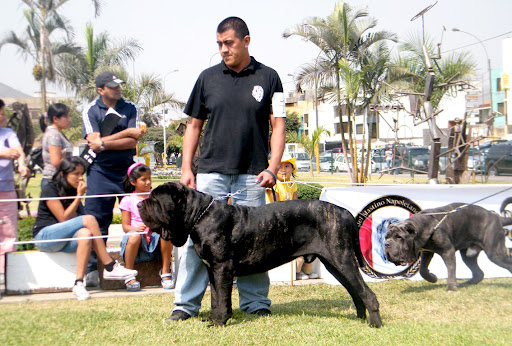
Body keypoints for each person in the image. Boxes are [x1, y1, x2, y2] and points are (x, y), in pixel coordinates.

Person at [167, 17, 286, 322]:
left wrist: (272, 168)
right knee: (198, 244)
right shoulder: (207, 78)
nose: (223, 49)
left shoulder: (270, 77)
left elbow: (278, 126)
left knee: (256, 239)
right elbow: (193, 126)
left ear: (246, 41)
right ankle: (185, 305)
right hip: (211, 174)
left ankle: (256, 302)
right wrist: (186, 169)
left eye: (229, 43)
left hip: (252, 175)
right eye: (219, 44)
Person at [32, 157, 138, 300]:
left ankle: (79, 283)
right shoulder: (50, 189)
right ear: (63, 174)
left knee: (86, 233)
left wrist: (76, 196)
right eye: (75, 173)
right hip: (45, 237)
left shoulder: (71, 190)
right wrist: (79, 196)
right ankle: (109, 265)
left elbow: (75, 219)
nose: (80, 178)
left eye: (81, 174)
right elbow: (63, 218)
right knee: (89, 219)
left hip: (64, 240)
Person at [82, 71, 144, 280]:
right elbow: (93, 143)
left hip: (126, 170)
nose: (118, 89)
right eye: (112, 86)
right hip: (100, 171)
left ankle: (135, 267)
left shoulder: (130, 107)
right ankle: (92, 269)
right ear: (100, 90)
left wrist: (105, 142)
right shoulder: (91, 110)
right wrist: (123, 133)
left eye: (118, 85)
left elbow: (133, 140)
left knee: (138, 216)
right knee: (97, 220)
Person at [119, 162, 175, 291]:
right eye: (143, 179)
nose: (148, 182)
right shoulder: (127, 200)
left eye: (149, 178)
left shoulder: (155, 197)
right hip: (137, 237)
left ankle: (166, 271)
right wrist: (136, 229)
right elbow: (125, 227)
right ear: (133, 182)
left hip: (154, 235)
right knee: (134, 236)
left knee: (165, 233)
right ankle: (129, 273)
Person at [266, 154, 319, 280]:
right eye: (280, 166)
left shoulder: (292, 183)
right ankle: (296, 272)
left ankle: (306, 269)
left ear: (293, 169)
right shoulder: (273, 184)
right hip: (276, 219)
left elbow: (296, 203)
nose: (283, 169)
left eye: (287, 166)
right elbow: (276, 206)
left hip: (290, 218)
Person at [0, 99, 30, 286]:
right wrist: (4, 153)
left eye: (3, 113)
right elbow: (8, 152)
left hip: (7, 188)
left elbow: (18, 151)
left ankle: (5, 273)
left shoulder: (8, 133)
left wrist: (22, 163)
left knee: (8, 231)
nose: (3, 117)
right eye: (1, 114)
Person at [40, 103, 73, 189]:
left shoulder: (58, 133)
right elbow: (56, 161)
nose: (69, 120)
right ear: (55, 119)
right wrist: (74, 165)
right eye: (66, 117)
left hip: (59, 179)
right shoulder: (53, 135)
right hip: (54, 181)